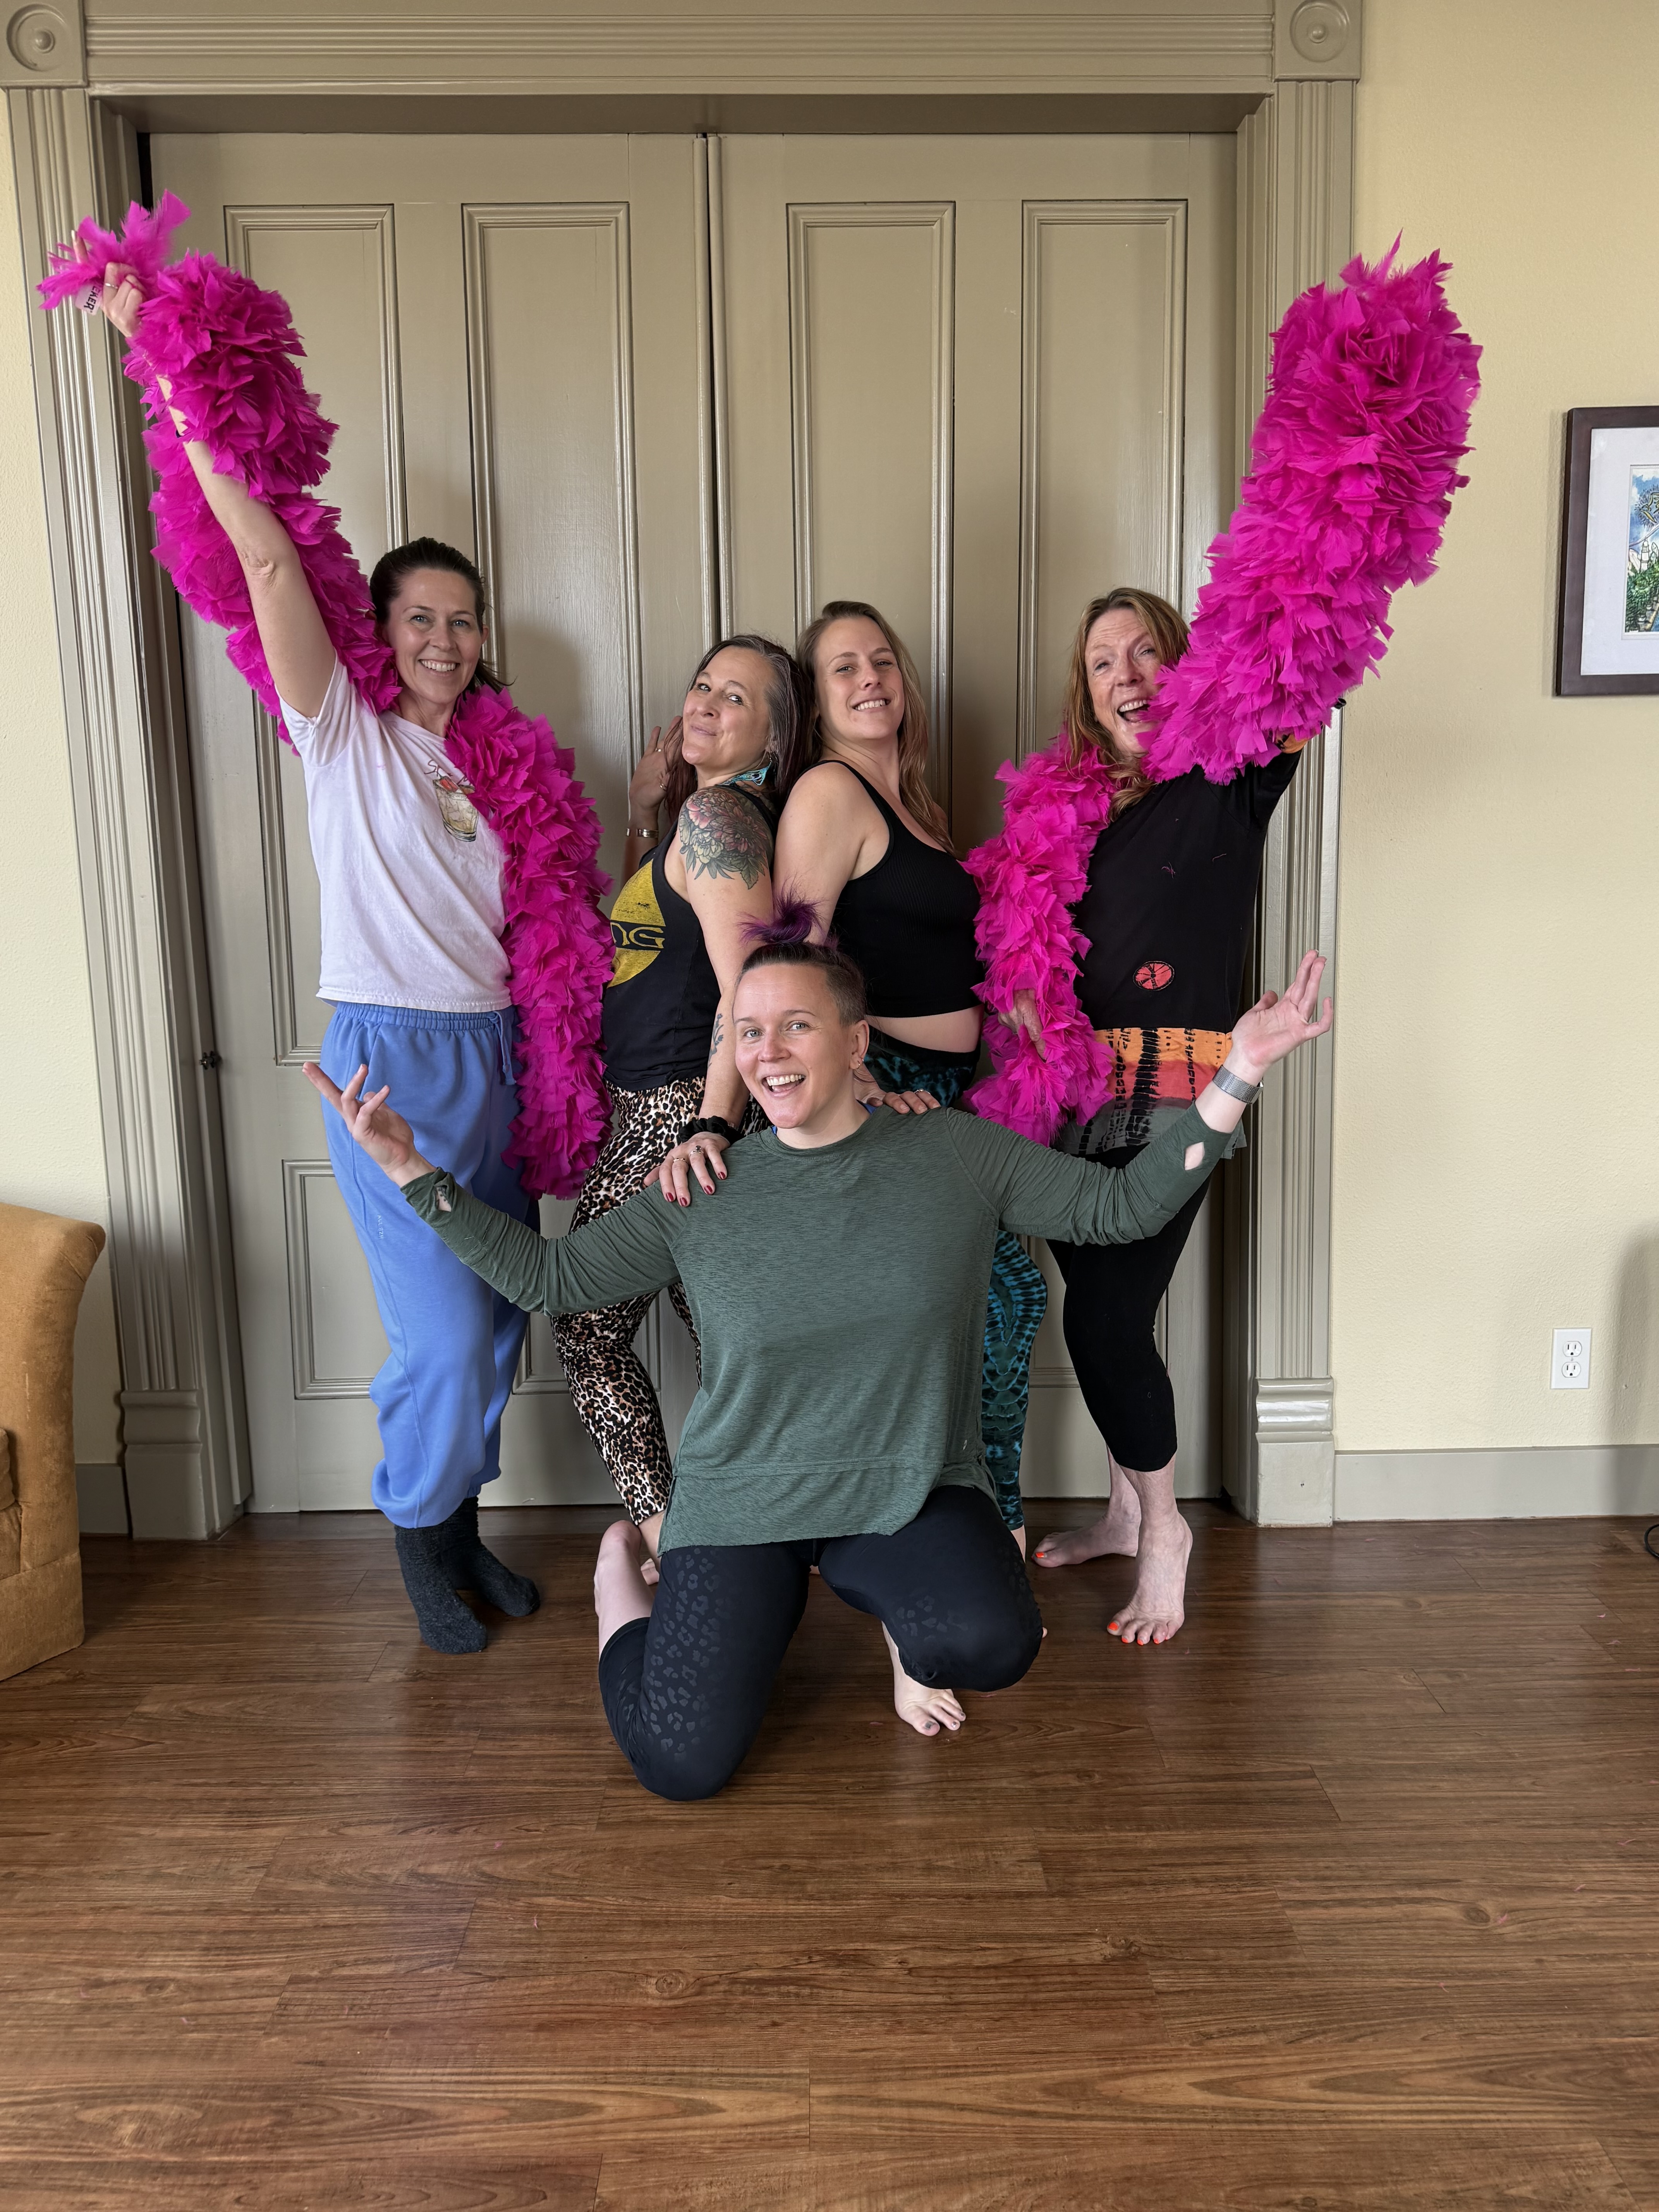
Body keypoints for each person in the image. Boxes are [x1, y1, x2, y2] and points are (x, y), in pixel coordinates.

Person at [309, 920, 1333, 1800]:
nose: (769, 1053)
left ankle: (883, 1617)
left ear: (853, 1041)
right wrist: (409, 1167)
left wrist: (1238, 1070)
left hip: (900, 1491)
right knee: (679, 1764)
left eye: (794, 1025)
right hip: (743, 1502)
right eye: (748, 1033)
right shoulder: (699, 1186)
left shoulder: (952, 1156)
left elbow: (1119, 1209)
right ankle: (625, 1589)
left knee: (991, 1644)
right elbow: (546, 1281)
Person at [91, 257, 612, 1657]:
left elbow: (550, 925)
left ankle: (459, 1530)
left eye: (463, 619)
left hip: (500, 1052)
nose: (444, 638)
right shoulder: (342, 730)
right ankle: (415, 1535)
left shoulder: (501, 767)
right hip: (394, 1052)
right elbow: (266, 555)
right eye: (418, 617)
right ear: (377, 632)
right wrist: (171, 376)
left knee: (496, 1315)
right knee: (443, 1335)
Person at [985, 587, 1307, 1645]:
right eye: (1101, 662)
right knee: (1102, 1302)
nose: (1125, 676)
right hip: (1071, 1093)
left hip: (1178, 1086)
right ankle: (1127, 1509)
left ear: (1189, 665)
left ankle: (1165, 1530)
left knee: (1106, 1320)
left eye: (1145, 654)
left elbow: (1296, 664)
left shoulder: (1229, 775)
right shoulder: (1067, 807)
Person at [771, 601, 1049, 1549]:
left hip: (954, 1090)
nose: (868, 679)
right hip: (890, 1087)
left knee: (964, 1315)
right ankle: (988, 1533)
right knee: (1009, 1297)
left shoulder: (917, 808)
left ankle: (952, 1530)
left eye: (880, 661)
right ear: (818, 701)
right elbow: (795, 962)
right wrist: (855, 1084)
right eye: (842, 668)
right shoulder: (829, 793)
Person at [553, 635, 804, 1543]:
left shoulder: (722, 825)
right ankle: (768, 1528)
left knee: (586, 1323)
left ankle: (674, 1536)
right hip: (660, 1105)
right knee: (730, 1342)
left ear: (774, 734)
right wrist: (643, 816)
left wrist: (710, 1122)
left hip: (675, 1110)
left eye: (734, 698)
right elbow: (650, 941)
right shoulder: (695, 823)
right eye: (702, 683)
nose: (705, 703)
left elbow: (750, 991)